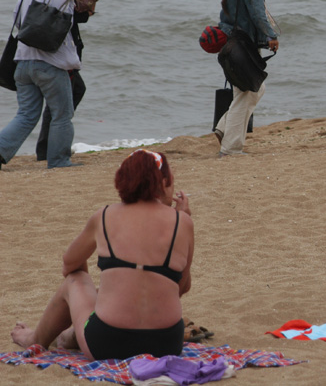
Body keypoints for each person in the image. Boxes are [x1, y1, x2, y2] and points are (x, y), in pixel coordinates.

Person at [10, 149, 194, 361]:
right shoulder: (183, 222)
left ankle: (35, 338)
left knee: (75, 279)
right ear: (162, 183)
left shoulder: (105, 216)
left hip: (108, 343)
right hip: (166, 344)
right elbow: (181, 288)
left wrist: (103, 294)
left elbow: (69, 265)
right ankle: (70, 336)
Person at [0, 0, 92, 169]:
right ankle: (59, 160)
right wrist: (69, 1)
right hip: (50, 65)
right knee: (62, 114)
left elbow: (19, 22)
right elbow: (65, 26)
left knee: (26, 115)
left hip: (22, 63)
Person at [213, 0, 280, 157]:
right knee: (253, 89)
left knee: (244, 90)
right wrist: (270, 35)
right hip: (244, 42)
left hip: (230, 40)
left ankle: (224, 129)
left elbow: (226, 4)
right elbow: (257, 12)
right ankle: (230, 147)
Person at [32, 0, 94, 162]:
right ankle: (49, 149)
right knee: (65, 96)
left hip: (63, 47)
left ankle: (48, 148)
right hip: (54, 50)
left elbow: (69, 18)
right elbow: (47, 18)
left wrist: (83, 9)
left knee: (65, 95)